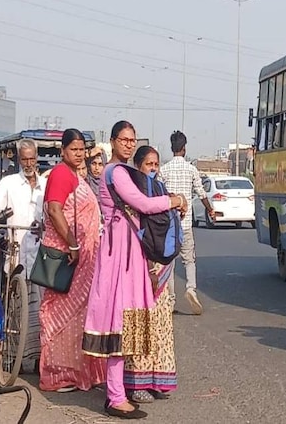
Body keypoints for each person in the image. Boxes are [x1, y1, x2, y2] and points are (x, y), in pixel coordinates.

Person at [83, 123, 187, 419]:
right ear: (113, 142)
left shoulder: (126, 172)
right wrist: (175, 200)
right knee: (120, 323)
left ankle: (118, 393)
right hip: (120, 256)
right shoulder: (115, 173)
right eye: (123, 140)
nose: (128, 145)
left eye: (132, 140)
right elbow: (141, 203)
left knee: (126, 326)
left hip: (131, 254)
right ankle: (115, 397)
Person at [39, 128, 105, 393]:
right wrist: (73, 243)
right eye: (73, 150)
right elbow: (55, 210)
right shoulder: (60, 174)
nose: (78, 154)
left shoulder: (76, 175)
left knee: (80, 315)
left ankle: (77, 370)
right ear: (62, 150)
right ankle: (59, 374)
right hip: (66, 256)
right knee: (61, 316)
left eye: (81, 150)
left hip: (82, 258)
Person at [0, 139, 45, 373]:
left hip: (39, 254)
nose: (29, 163)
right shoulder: (8, 183)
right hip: (15, 252)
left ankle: (37, 358)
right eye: (25, 159)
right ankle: (11, 357)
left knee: (39, 309)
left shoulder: (45, 184)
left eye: (32, 159)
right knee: (14, 307)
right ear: (18, 159)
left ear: (36, 158)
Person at [127, 145, 178, 401]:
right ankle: (136, 383)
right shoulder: (134, 194)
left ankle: (159, 380)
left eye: (156, 164)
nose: (153, 169)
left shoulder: (160, 192)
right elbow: (135, 230)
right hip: (140, 267)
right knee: (138, 322)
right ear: (138, 166)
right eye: (148, 164)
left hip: (162, 268)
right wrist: (148, 267)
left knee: (161, 325)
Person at [158, 130, 214, 315]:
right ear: (184, 148)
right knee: (189, 260)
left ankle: (171, 298)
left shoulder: (163, 170)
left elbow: (159, 194)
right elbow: (201, 192)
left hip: (168, 224)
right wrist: (209, 208)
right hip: (186, 223)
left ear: (172, 147)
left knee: (169, 262)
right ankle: (191, 288)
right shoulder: (191, 169)